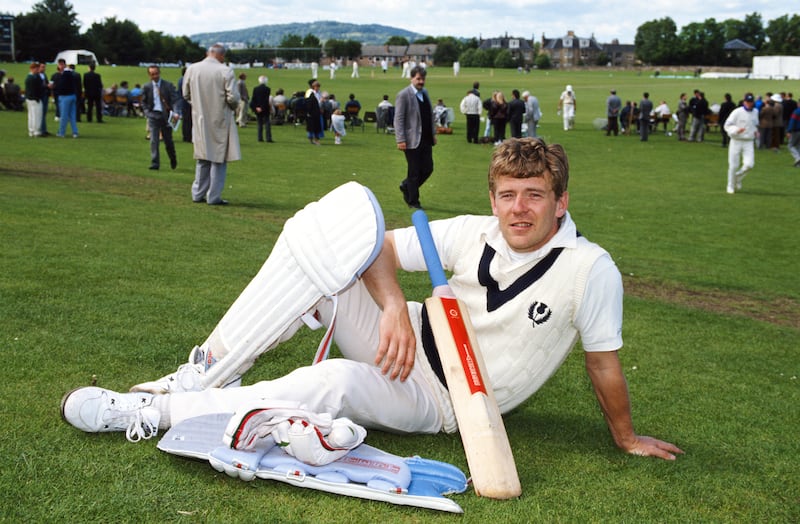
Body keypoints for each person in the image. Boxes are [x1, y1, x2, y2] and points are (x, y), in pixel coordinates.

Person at [60, 137, 685, 467]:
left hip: (446, 400)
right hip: (408, 337)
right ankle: (201, 373)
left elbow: (603, 362)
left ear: (561, 201)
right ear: (493, 196)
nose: (518, 208)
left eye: (534, 195)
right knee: (324, 243)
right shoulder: (475, 230)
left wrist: (625, 437)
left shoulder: (588, 270)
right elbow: (373, 245)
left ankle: (145, 414)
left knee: (329, 379)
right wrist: (392, 307)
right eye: (507, 194)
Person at [183, 43, 241, 205]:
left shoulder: (192, 69)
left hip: (199, 117)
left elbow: (186, 94)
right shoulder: (225, 70)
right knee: (218, 159)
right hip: (220, 117)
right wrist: (230, 107)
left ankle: (197, 192)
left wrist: (197, 105)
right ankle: (214, 196)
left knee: (202, 157)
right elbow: (233, 98)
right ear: (221, 55)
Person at [394, 66, 436, 209]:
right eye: (418, 78)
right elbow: (398, 118)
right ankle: (413, 201)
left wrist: (433, 134)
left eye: (423, 79)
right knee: (414, 171)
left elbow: (429, 115)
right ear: (411, 78)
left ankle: (406, 186)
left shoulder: (425, 93)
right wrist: (400, 139)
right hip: (411, 139)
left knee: (428, 168)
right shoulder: (404, 95)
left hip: (426, 138)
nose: (421, 81)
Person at [142, 66, 180, 171]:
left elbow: (175, 100)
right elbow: (144, 102)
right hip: (153, 115)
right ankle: (155, 163)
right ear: (149, 75)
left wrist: (176, 112)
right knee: (154, 140)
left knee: (168, 141)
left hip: (166, 116)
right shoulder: (147, 87)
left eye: (156, 73)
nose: (155, 76)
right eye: (152, 74)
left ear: (159, 73)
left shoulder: (168, 85)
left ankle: (173, 158)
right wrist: (147, 113)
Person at [723, 93, 759, 194]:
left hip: (748, 142)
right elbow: (727, 125)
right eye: (747, 102)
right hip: (736, 141)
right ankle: (730, 185)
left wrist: (756, 131)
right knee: (733, 165)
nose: (749, 104)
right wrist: (736, 130)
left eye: (751, 102)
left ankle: (737, 178)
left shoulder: (755, 112)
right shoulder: (737, 112)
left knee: (749, 164)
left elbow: (755, 124)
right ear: (744, 102)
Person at [54, 62, 79, 138]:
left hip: (65, 97)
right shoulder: (72, 74)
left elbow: (61, 87)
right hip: (72, 96)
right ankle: (75, 132)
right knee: (72, 116)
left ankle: (61, 132)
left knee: (64, 116)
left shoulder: (64, 75)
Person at [250, 75, 273, 143]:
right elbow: (266, 100)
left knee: (259, 124)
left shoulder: (255, 89)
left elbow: (254, 99)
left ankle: (260, 138)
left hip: (257, 108)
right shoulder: (267, 89)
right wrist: (262, 108)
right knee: (267, 123)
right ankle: (268, 138)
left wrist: (256, 108)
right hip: (265, 108)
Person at [25, 63, 44, 137]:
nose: (38, 70)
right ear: (33, 69)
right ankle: (36, 130)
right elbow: (37, 89)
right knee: (37, 115)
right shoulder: (34, 78)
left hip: (29, 99)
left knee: (31, 116)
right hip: (35, 99)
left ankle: (31, 130)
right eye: (37, 68)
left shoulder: (28, 77)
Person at [305, 79, 324, 145]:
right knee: (312, 126)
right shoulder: (311, 94)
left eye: (318, 86)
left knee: (317, 127)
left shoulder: (319, 93)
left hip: (317, 111)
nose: (318, 88)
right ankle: (311, 139)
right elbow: (310, 103)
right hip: (312, 112)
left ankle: (316, 139)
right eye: (317, 86)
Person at [786, 101, 800, 167]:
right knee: (798, 146)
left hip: (796, 131)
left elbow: (792, 121)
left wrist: (789, 131)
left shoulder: (796, 111)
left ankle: (797, 158)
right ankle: (798, 164)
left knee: (790, 145)